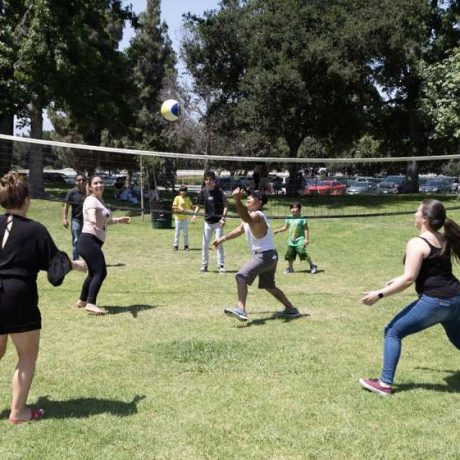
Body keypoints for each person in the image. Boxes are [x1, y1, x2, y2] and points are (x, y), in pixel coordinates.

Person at [0, 171, 86, 424]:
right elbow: (55, 265)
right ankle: (18, 413)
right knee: (27, 356)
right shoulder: (36, 230)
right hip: (19, 297)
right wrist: (74, 264)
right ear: (26, 200)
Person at [359, 199, 460, 396]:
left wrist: (379, 294)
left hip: (436, 301)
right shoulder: (443, 238)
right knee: (458, 338)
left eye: (417, 211)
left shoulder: (417, 242)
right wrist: (397, 279)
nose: (414, 214)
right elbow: (429, 271)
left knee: (393, 331)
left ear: (424, 219)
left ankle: (384, 384)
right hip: (456, 298)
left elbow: (409, 279)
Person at [213, 188, 300, 321]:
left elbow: (246, 218)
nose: (248, 198)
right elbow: (240, 229)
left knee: (241, 276)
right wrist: (222, 239)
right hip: (270, 256)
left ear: (259, 202)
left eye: (251, 197)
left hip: (264, 255)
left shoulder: (257, 215)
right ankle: (291, 309)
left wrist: (237, 200)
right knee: (269, 286)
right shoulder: (251, 216)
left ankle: (240, 309)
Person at [77, 176, 130, 315]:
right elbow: (91, 213)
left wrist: (119, 220)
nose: (99, 185)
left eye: (101, 182)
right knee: (101, 272)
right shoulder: (90, 200)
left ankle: (82, 300)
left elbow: (106, 221)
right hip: (88, 241)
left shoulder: (100, 201)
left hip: (91, 242)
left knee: (93, 272)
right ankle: (91, 303)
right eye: (95, 183)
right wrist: (93, 220)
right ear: (90, 187)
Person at [191, 170, 228, 273]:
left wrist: (223, 218)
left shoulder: (219, 191)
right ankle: (204, 266)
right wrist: (194, 215)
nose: (208, 181)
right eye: (206, 180)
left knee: (218, 244)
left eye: (210, 179)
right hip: (207, 222)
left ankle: (221, 266)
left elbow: (226, 206)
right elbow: (198, 205)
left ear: (214, 180)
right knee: (204, 245)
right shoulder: (203, 191)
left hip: (218, 223)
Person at [274, 202, 318, 274]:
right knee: (290, 255)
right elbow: (285, 227)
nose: (293, 209)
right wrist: (277, 230)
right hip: (291, 240)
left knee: (302, 252)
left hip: (300, 239)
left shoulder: (302, 218)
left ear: (299, 209)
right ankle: (290, 268)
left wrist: (306, 239)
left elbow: (306, 229)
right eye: (292, 208)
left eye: (295, 207)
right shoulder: (289, 218)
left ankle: (313, 266)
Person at [62, 173, 86, 260]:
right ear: (75, 182)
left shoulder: (88, 193)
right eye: (79, 180)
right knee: (76, 240)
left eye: (83, 180)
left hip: (87, 221)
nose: (81, 181)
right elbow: (66, 206)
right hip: (76, 220)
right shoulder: (71, 192)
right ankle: (76, 260)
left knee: (86, 241)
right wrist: (64, 219)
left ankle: (87, 259)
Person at [172, 185, 193, 251]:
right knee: (177, 232)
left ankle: (186, 246)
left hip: (185, 218)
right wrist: (178, 207)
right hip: (178, 218)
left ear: (186, 192)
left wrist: (195, 210)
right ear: (180, 191)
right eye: (181, 191)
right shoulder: (177, 198)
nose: (183, 192)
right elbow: (173, 207)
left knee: (185, 233)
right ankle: (176, 246)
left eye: (184, 191)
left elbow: (191, 206)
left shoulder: (188, 198)